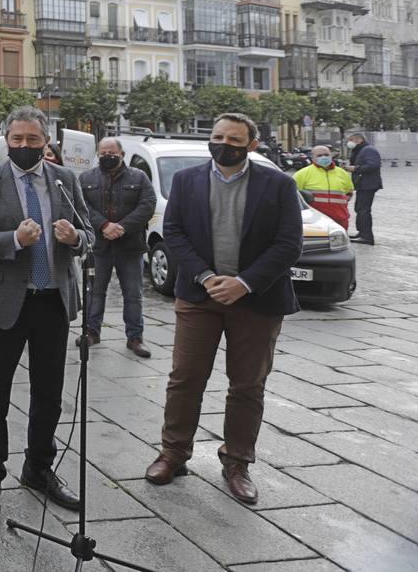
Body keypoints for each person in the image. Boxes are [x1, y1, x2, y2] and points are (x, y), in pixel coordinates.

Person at [144, 113, 303, 505]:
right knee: (185, 377)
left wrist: (244, 282)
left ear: (251, 144)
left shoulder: (279, 184)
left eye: (234, 138)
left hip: (257, 299)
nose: (223, 144)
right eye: (217, 137)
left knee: (247, 384)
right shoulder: (186, 180)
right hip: (200, 296)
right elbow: (175, 231)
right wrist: (204, 276)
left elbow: (288, 244)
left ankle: (237, 462)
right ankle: (174, 452)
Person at [0, 105, 90, 520]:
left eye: (32, 140)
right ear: (7, 142)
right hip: (3, 303)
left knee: (49, 394)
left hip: (53, 300)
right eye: (17, 140)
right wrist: (13, 239)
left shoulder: (64, 180)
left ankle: (38, 467)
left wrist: (76, 237)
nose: (24, 146)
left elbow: (88, 233)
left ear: (46, 142)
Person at [78, 137, 157, 357]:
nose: (107, 157)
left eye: (112, 153)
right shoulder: (86, 178)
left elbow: (147, 205)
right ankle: (91, 331)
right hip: (99, 246)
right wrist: (103, 225)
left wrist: (122, 227)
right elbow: (81, 206)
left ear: (121, 154)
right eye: (103, 153)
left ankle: (135, 337)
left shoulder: (139, 177)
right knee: (94, 292)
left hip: (130, 246)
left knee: (133, 294)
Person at [293, 145, 353, 230]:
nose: (324, 157)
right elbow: (294, 195)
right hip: (315, 220)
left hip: (339, 218)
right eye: (319, 156)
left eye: (326, 155)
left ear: (331, 156)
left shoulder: (342, 173)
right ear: (313, 158)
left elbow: (349, 192)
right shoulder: (302, 174)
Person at [345, 132, 382, 245]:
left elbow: (374, 165)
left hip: (368, 184)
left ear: (358, 139)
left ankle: (366, 236)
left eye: (351, 140)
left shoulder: (368, 150)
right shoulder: (361, 149)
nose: (349, 143)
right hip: (363, 184)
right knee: (359, 209)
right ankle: (361, 233)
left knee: (363, 210)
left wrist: (355, 168)